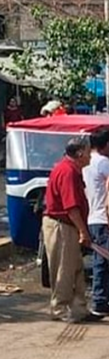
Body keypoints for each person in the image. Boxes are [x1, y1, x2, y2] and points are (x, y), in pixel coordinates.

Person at [43, 137, 98, 323]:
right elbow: (71, 207)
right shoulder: (68, 172)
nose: (91, 156)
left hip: (68, 225)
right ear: (80, 153)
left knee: (76, 269)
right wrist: (83, 232)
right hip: (62, 226)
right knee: (64, 270)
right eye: (89, 152)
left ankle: (79, 309)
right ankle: (60, 308)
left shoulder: (72, 170)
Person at [84, 129, 109, 318]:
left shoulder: (84, 162)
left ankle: (101, 300)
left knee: (99, 260)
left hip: (90, 218)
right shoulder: (104, 163)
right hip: (102, 218)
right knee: (102, 261)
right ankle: (99, 301)